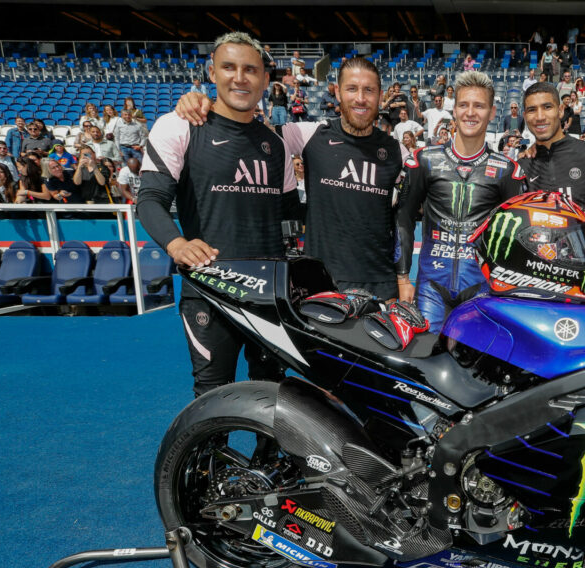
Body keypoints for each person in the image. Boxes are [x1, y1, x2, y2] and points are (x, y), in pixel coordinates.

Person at [138, 32, 297, 397]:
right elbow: (149, 200)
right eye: (229, 67)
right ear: (212, 73)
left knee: (275, 396)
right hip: (209, 289)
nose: (240, 77)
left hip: (269, 293)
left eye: (250, 70)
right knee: (212, 397)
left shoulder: (274, 144)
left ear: (264, 79)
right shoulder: (179, 126)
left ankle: (269, 458)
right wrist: (176, 243)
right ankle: (207, 458)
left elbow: (291, 213)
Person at [176, 56, 408, 302]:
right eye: (352, 88)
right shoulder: (309, 134)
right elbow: (249, 131)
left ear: (380, 94)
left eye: (369, 90)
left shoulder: (397, 152)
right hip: (320, 284)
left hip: (381, 287)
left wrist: (403, 279)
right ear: (338, 93)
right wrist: (207, 103)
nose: (360, 98)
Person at [395, 71, 527, 332]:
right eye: (464, 104)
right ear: (453, 110)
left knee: (476, 368)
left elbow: (517, 237)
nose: (470, 112)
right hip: (430, 289)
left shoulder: (507, 170)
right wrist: (402, 279)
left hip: (482, 291)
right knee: (426, 365)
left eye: (479, 106)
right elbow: (403, 218)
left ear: (491, 112)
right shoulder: (423, 159)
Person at [520, 81, 585, 299]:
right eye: (531, 110)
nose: (539, 116)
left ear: (560, 110)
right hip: (543, 290)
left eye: (547, 107)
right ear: (525, 116)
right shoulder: (522, 166)